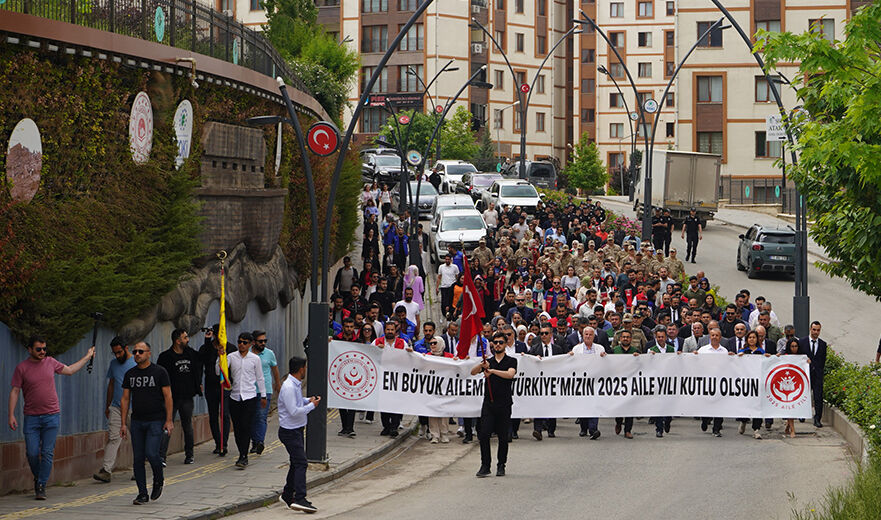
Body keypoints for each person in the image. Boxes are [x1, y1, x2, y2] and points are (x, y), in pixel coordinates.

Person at [9, 336, 95, 499]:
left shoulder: (50, 362)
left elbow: (69, 370)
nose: (42, 352)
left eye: (44, 349)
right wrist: (11, 414)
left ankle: (41, 485)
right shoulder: (22, 368)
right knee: (32, 453)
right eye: (38, 349)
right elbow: (15, 391)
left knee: (47, 452)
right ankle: (39, 476)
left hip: (51, 416)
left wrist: (87, 356)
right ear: (29, 350)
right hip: (31, 418)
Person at [119, 341, 173, 505]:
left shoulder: (159, 372)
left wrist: (169, 420)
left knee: (151, 453)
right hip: (137, 421)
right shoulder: (130, 374)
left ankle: (158, 478)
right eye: (135, 352)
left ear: (149, 353)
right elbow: (125, 398)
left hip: (156, 420)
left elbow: (168, 396)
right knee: (138, 458)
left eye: (140, 352)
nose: (137, 354)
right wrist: (123, 423)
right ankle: (142, 493)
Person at [277, 356, 320, 514]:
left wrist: (308, 400)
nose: (306, 371)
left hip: (297, 429)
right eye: (305, 368)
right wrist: (311, 406)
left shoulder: (294, 384)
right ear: (301, 369)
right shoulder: (288, 386)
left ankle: (288, 494)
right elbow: (293, 411)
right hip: (290, 431)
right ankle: (300, 498)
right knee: (301, 463)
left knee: (296, 463)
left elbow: (296, 401)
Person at [218, 332, 267, 469]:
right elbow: (219, 372)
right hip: (234, 396)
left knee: (246, 426)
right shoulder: (231, 357)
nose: (241, 345)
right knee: (238, 428)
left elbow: (260, 378)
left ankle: (243, 456)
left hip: (250, 397)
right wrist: (220, 357)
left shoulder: (255, 359)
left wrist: (263, 395)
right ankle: (241, 451)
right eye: (240, 342)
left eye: (245, 342)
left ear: (250, 344)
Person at [472, 331, 517, 478]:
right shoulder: (488, 361)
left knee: (503, 436)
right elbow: (473, 372)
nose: (498, 345)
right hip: (489, 404)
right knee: (484, 434)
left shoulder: (511, 361)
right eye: (495, 342)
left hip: (504, 404)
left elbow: (510, 374)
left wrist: (492, 371)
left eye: (501, 342)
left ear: (505, 344)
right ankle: (485, 465)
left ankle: (501, 464)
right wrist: (482, 366)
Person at [93, 337, 136, 483]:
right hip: (116, 407)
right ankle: (106, 470)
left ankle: (138, 470)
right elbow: (111, 385)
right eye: (115, 353)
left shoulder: (136, 362)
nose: (117, 356)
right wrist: (107, 405)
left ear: (126, 348)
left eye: (119, 352)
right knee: (113, 438)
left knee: (137, 439)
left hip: (134, 408)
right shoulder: (114, 364)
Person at [157, 328, 202, 466]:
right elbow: (159, 376)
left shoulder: (191, 354)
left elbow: (202, 360)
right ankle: (161, 457)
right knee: (166, 426)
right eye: (185, 337)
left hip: (187, 397)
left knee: (187, 426)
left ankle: (190, 455)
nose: (188, 340)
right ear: (177, 341)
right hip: (171, 398)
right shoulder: (165, 357)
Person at [569, 327, 605, 439]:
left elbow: (606, 364)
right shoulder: (576, 349)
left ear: (594, 336)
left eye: (590, 334)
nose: (588, 336)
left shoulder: (600, 348)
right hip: (581, 382)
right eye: (586, 334)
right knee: (583, 405)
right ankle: (583, 428)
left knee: (594, 405)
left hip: (595, 381)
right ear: (583, 336)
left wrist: (605, 357)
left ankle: (593, 429)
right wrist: (569, 357)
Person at [697, 328, 734, 437]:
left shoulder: (724, 351)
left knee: (719, 406)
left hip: (720, 383)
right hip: (706, 382)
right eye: (712, 335)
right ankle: (705, 420)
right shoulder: (702, 350)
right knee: (706, 405)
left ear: (720, 337)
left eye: (716, 335)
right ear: (709, 336)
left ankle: (716, 428)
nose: (714, 337)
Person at [250, 330, 281, 453]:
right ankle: (254, 442)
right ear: (253, 342)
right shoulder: (248, 354)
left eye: (265, 341)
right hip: (250, 390)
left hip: (265, 390)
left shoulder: (269, 354)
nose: (263, 343)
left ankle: (259, 442)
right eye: (260, 341)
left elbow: (275, 370)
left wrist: (278, 384)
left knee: (261, 416)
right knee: (252, 417)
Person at [798, 321, 827, 428]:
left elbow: (823, 360)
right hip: (805, 374)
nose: (816, 332)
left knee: (818, 397)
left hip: (817, 375)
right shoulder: (802, 342)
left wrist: (819, 370)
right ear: (810, 329)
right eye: (814, 330)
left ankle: (817, 418)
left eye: (818, 330)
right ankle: (802, 414)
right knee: (804, 394)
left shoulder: (823, 344)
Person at [612, 330, 639, 439]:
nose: (625, 339)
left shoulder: (635, 351)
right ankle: (618, 422)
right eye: (623, 337)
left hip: (631, 383)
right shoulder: (614, 351)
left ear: (631, 339)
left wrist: (638, 358)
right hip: (618, 383)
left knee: (630, 408)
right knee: (619, 407)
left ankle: (628, 430)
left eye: (628, 337)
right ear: (620, 339)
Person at [779, 338, 807, 438]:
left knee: (793, 407)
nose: (794, 348)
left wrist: (807, 362)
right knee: (789, 408)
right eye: (792, 346)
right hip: (786, 386)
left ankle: (788, 426)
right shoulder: (785, 356)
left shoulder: (801, 357)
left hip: (796, 384)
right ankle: (792, 430)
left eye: (796, 346)